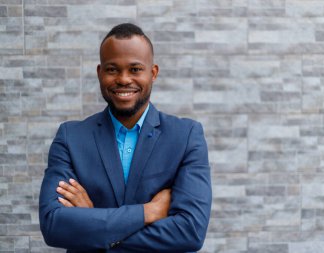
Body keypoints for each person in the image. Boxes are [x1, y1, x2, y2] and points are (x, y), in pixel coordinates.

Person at [39, 23, 212, 253]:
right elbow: (54, 226)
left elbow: (190, 232)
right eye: (112, 69)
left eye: (135, 69)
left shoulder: (186, 136)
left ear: (153, 73)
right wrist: (148, 212)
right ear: (100, 72)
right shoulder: (71, 137)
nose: (123, 79)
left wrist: (93, 225)